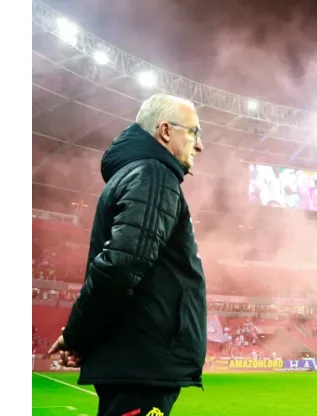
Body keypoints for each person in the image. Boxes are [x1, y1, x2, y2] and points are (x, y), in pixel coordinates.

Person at [48, 94, 207, 416]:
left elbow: (124, 261)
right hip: (144, 359)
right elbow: (123, 264)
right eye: (194, 132)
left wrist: (82, 334)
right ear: (165, 131)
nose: (199, 145)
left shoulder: (138, 174)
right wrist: (77, 333)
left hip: (136, 357)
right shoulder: (154, 175)